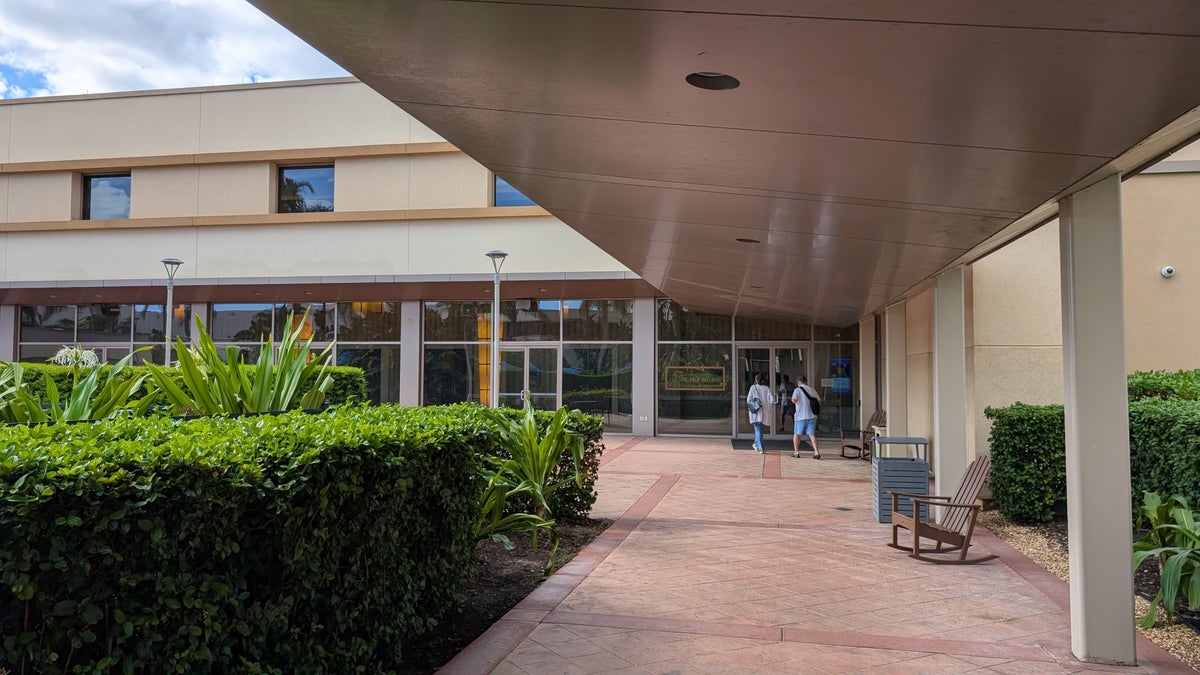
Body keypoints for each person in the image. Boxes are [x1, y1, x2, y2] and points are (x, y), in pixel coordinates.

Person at [791, 374, 822, 459]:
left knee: (797, 434)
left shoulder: (797, 390)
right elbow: (818, 401)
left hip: (800, 416)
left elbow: (794, 400)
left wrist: (795, 400)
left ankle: (796, 452)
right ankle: (816, 452)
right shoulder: (812, 389)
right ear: (805, 381)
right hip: (811, 416)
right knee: (812, 435)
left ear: (798, 382)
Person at [746, 372, 775, 453]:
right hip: (764, 413)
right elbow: (772, 400)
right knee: (759, 430)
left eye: (757, 378)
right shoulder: (766, 388)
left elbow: (748, 400)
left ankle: (760, 447)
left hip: (755, 412)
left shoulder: (753, 387)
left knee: (758, 430)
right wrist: (767, 406)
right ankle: (758, 445)